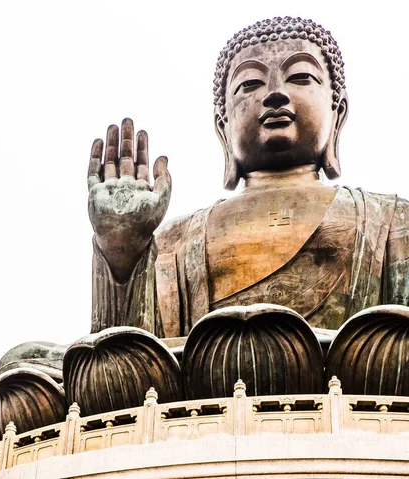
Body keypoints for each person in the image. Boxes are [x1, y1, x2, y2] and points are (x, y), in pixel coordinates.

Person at [87, 17, 409, 337]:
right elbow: (129, 361)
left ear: (337, 111)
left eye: (300, 77)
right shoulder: (175, 241)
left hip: (357, 371)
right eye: (250, 84)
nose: (275, 94)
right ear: (222, 125)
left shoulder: (391, 221)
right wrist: (122, 249)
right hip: (208, 375)